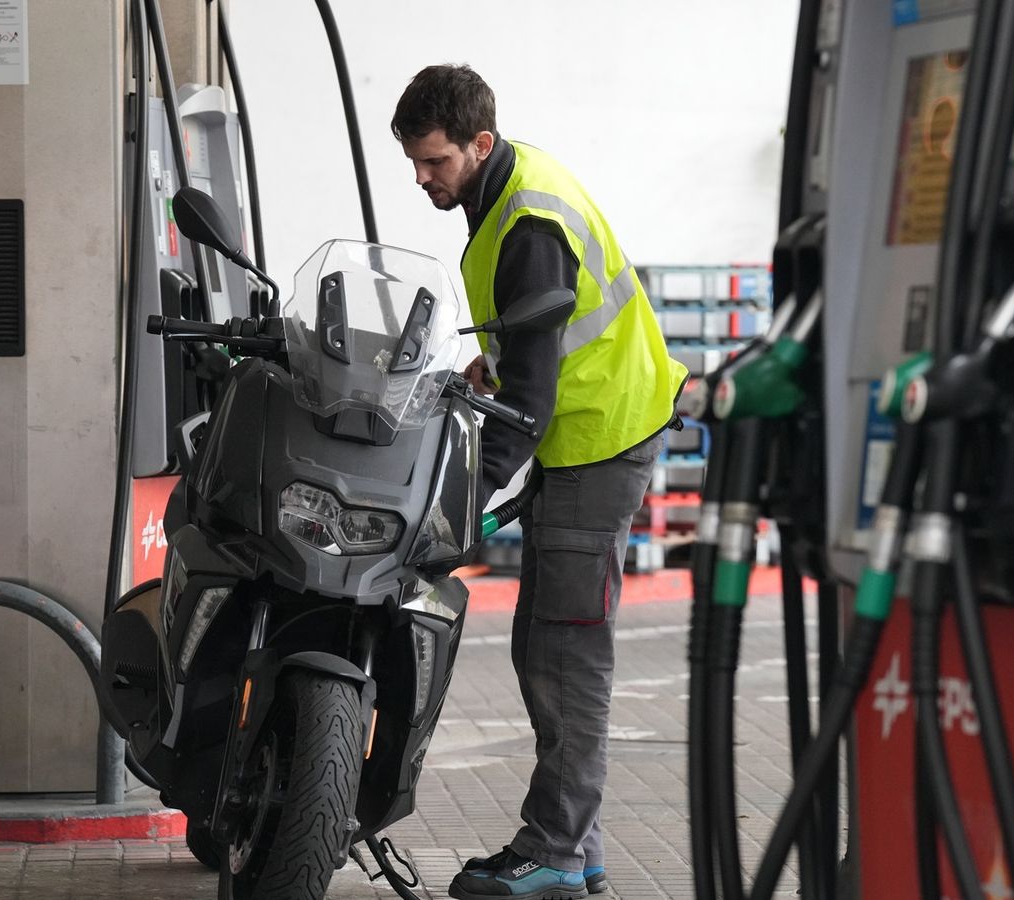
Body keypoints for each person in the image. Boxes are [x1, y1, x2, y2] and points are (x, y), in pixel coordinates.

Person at [393, 64, 688, 900]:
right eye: (414, 162)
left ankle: (555, 849)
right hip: (593, 422)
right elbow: (538, 341)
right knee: (544, 646)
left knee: (565, 650)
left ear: (479, 143)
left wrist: (448, 505)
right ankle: (577, 847)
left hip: (601, 435)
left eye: (435, 162)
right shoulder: (507, 187)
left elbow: (526, 406)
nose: (422, 178)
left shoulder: (525, 221)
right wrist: (503, 357)